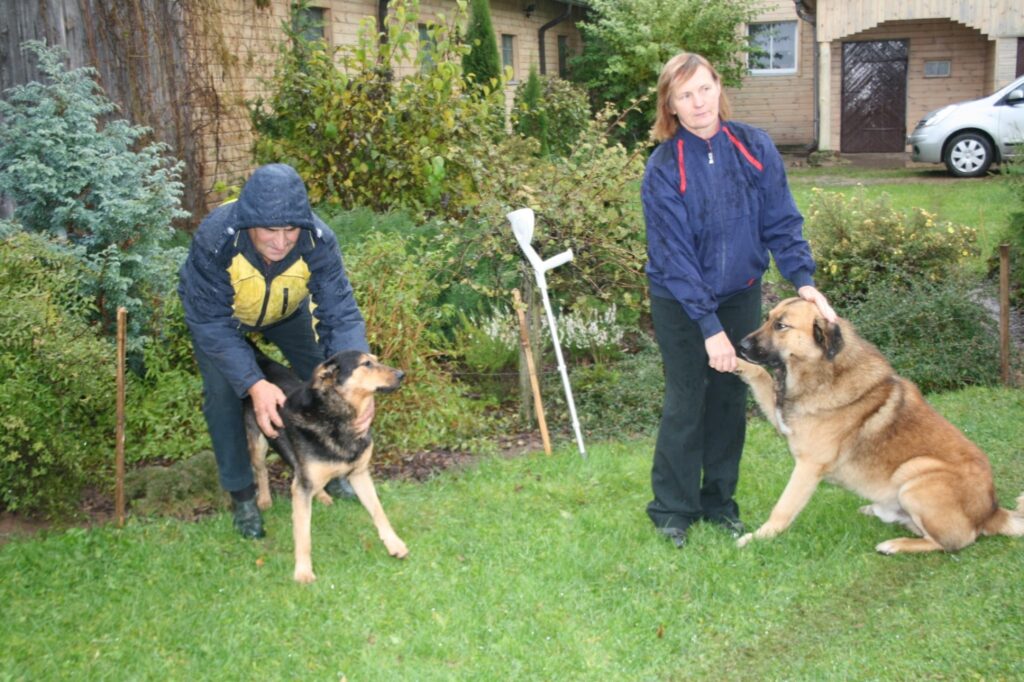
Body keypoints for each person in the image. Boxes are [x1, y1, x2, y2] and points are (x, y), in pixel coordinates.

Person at [641, 52, 835, 548]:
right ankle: (672, 509)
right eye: (685, 95)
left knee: (729, 396)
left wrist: (803, 279)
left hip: (741, 294)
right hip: (681, 301)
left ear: (718, 88)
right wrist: (709, 330)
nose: (698, 101)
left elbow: (781, 221)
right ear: (672, 106)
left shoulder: (754, 146)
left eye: (704, 88)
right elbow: (674, 255)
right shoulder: (663, 167)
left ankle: (718, 503)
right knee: (688, 398)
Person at [178, 163, 373, 539]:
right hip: (220, 320)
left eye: (290, 230)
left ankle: (329, 471)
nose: (282, 242)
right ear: (249, 222)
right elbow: (211, 323)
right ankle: (243, 497)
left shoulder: (317, 239)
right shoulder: (217, 237)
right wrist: (253, 382)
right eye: (270, 230)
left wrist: (360, 383)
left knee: (326, 378)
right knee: (223, 396)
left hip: (286, 312)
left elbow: (340, 313)